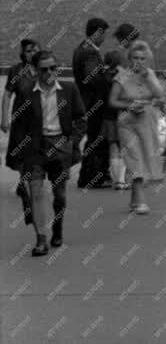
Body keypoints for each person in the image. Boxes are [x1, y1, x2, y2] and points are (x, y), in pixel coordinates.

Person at [10, 49, 86, 256]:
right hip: (35, 147)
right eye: (44, 69)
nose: (49, 73)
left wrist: (72, 142)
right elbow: (18, 124)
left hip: (60, 145)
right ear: (35, 70)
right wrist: (20, 152)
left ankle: (57, 227)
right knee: (35, 191)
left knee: (59, 195)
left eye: (53, 68)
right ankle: (41, 239)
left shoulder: (69, 89)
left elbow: (80, 118)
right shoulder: (26, 91)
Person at [108, 40, 165, 214]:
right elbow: (112, 101)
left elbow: (161, 97)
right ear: (129, 58)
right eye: (135, 58)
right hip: (127, 123)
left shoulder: (150, 75)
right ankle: (140, 201)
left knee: (145, 157)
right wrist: (128, 106)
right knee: (134, 159)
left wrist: (148, 78)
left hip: (147, 121)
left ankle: (134, 199)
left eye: (142, 58)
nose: (138, 61)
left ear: (147, 60)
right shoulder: (121, 76)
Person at [1, 38, 40, 224]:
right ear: (22, 53)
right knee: (22, 154)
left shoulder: (44, 68)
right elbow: (8, 93)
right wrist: (4, 117)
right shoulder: (16, 71)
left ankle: (28, 182)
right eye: (28, 51)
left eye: (35, 50)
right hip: (21, 121)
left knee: (35, 154)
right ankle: (24, 182)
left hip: (39, 122)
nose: (31, 53)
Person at [72, 16, 111, 189]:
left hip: (86, 101)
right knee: (96, 139)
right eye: (104, 34)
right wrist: (108, 76)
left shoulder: (82, 48)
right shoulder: (90, 52)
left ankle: (91, 176)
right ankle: (91, 177)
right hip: (94, 102)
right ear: (97, 33)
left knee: (93, 138)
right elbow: (93, 78)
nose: (104, 38)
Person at [102, 50, 129, 190]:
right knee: (124, 146)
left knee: (113, 146)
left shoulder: (103, 75)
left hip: (108, 115)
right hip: (122, 114)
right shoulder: (123, 76)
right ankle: (122, 179)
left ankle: (115, 180)